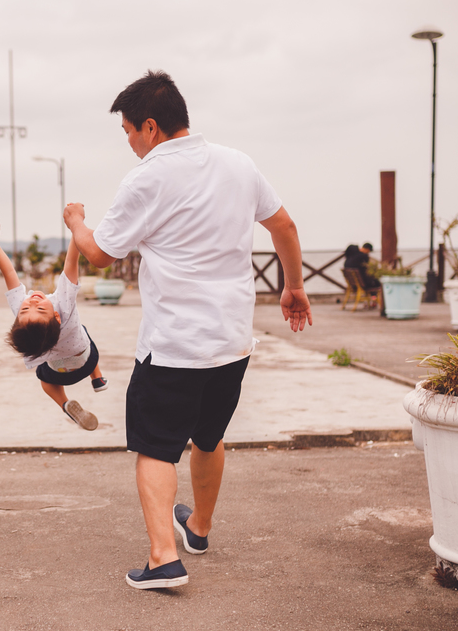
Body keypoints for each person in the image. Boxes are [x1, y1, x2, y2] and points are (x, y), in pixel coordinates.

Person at [63, 70, 312, 590]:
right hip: (231, 340)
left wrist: (77, 222)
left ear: (150, 127)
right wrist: (294, 287)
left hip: (173, 345)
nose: (130, 144)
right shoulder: (237, 163)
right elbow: (283, 226)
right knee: (208, 435)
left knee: (155, 448)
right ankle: (197, 528)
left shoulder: (148, 177)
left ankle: (162, 560)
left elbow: (100, 256)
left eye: (129, 131)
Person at [0, 236, 108, 431]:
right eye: (41, 310)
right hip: (86, 363)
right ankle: (97, 378)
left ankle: (64, 403)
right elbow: (70, 262)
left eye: (25, 309)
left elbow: (7, 271)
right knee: (83, 333)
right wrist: (76, 229)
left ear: (18, 317)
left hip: (57, 374)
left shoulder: (25, 320)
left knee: (45, 380)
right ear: (57, 317)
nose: (32, 302)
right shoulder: (64, 306)